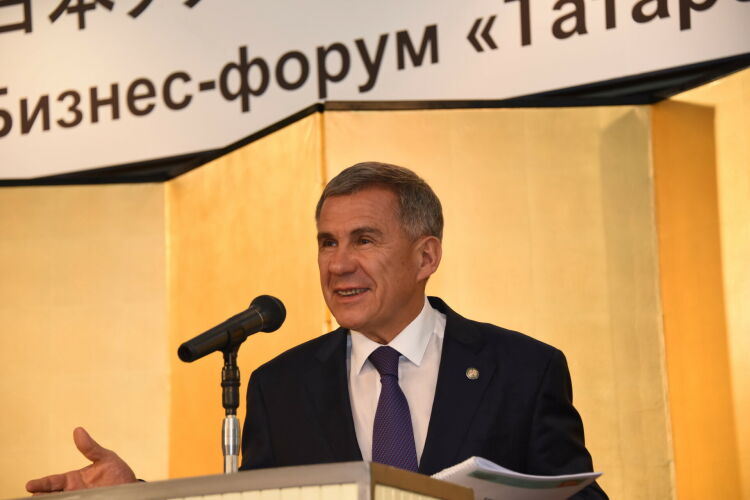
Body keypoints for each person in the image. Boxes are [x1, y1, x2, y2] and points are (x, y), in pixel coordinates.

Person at [26, 162, 607, 499]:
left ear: (425, 256)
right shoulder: (280, 387)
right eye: (327, 243)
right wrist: (136, 495)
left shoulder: (523, 370)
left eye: (364, 240)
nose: (338, 264)